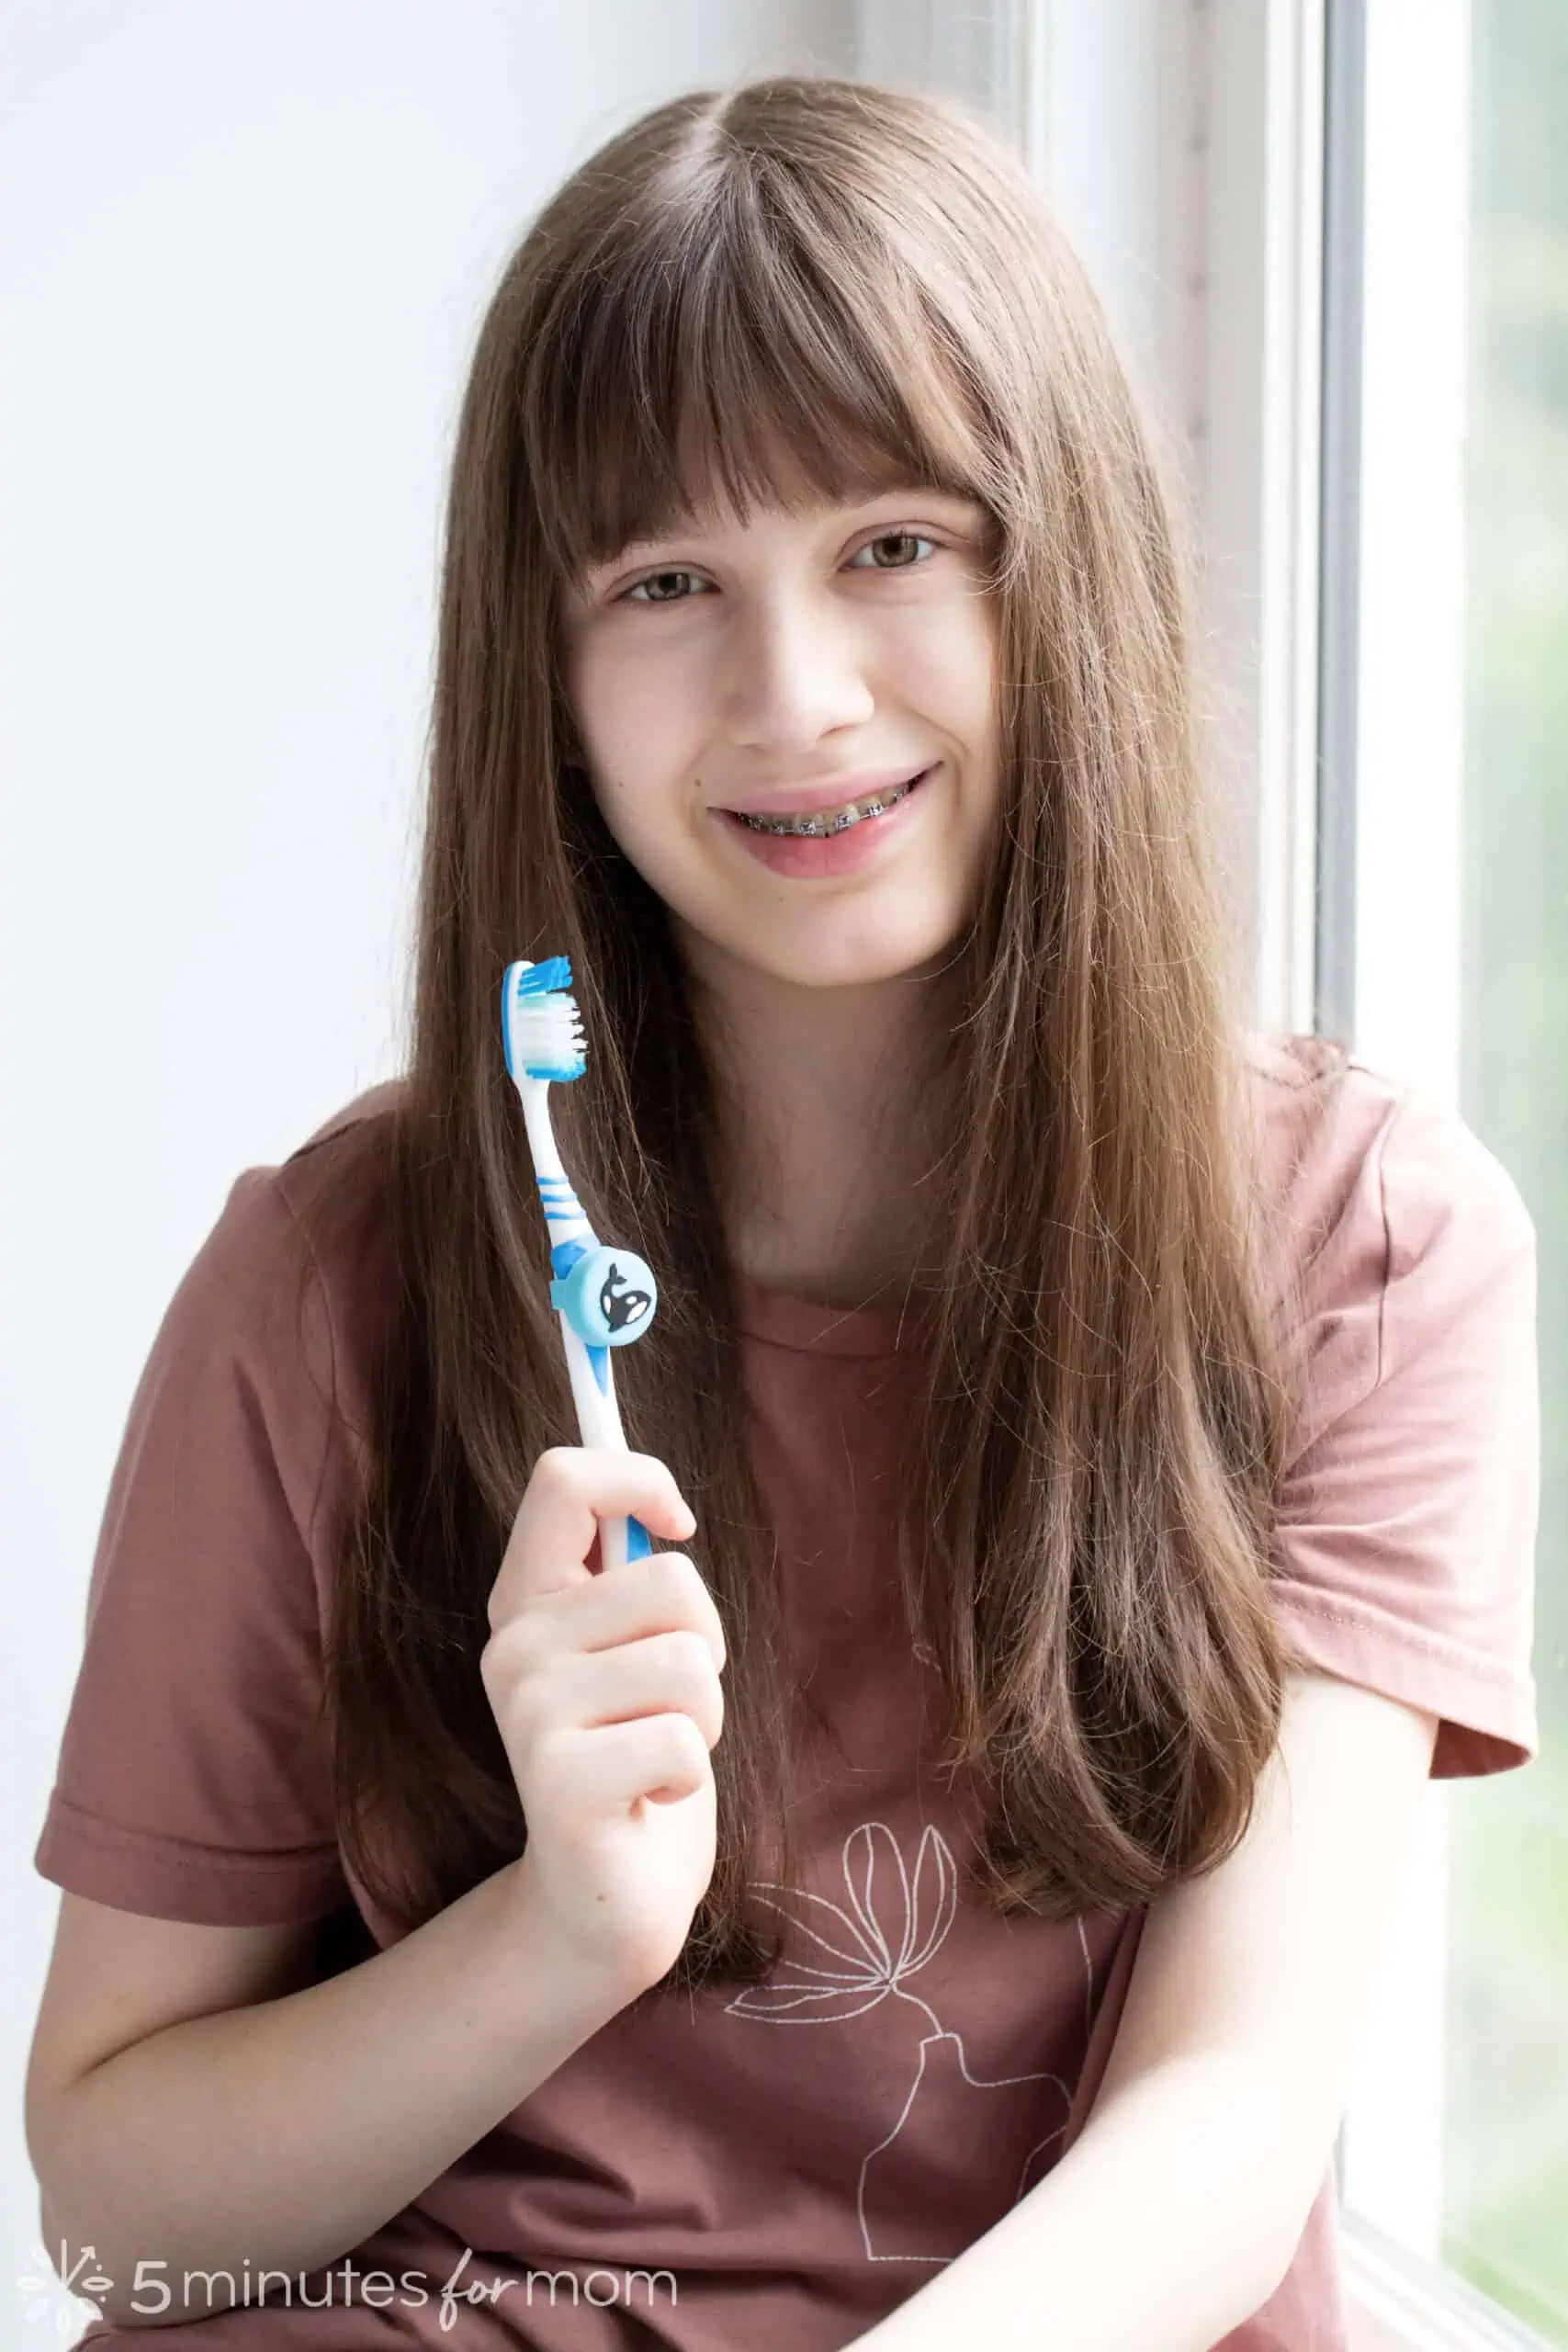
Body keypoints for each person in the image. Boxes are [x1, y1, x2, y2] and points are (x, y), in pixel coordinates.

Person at [24, 72, 1539, 2352]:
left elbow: (1227, 2125)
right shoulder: (326, 1290)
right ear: (541, 673)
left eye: (895, 547)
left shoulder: (1356, 1242)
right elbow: (122, 2222)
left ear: (1067, 575)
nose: (795, 695)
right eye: (664, 583)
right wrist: (559, 1929)